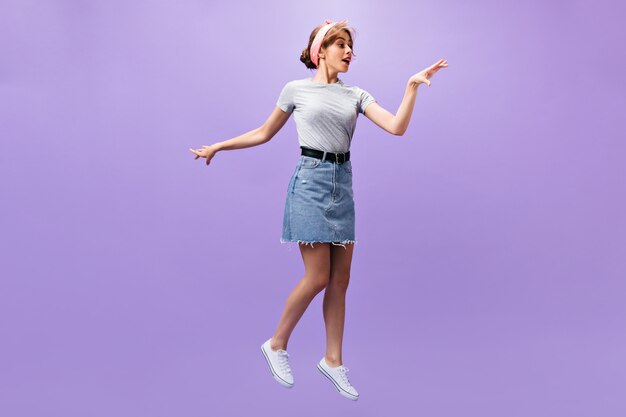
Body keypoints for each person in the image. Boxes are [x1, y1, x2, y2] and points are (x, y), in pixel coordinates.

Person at [189, 19, 447, 400]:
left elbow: (396, 127)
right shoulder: (295, 90)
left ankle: (333, 361)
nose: (347, 52)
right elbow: (263, 132)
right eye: (339, 44)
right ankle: (276, 344)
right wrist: (217, 146)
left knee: (340, 281)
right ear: (319, 50)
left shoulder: (356, 94)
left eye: (350, 47)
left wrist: (411, 87)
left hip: (342, 184)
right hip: (309, 182)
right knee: (318, 277)